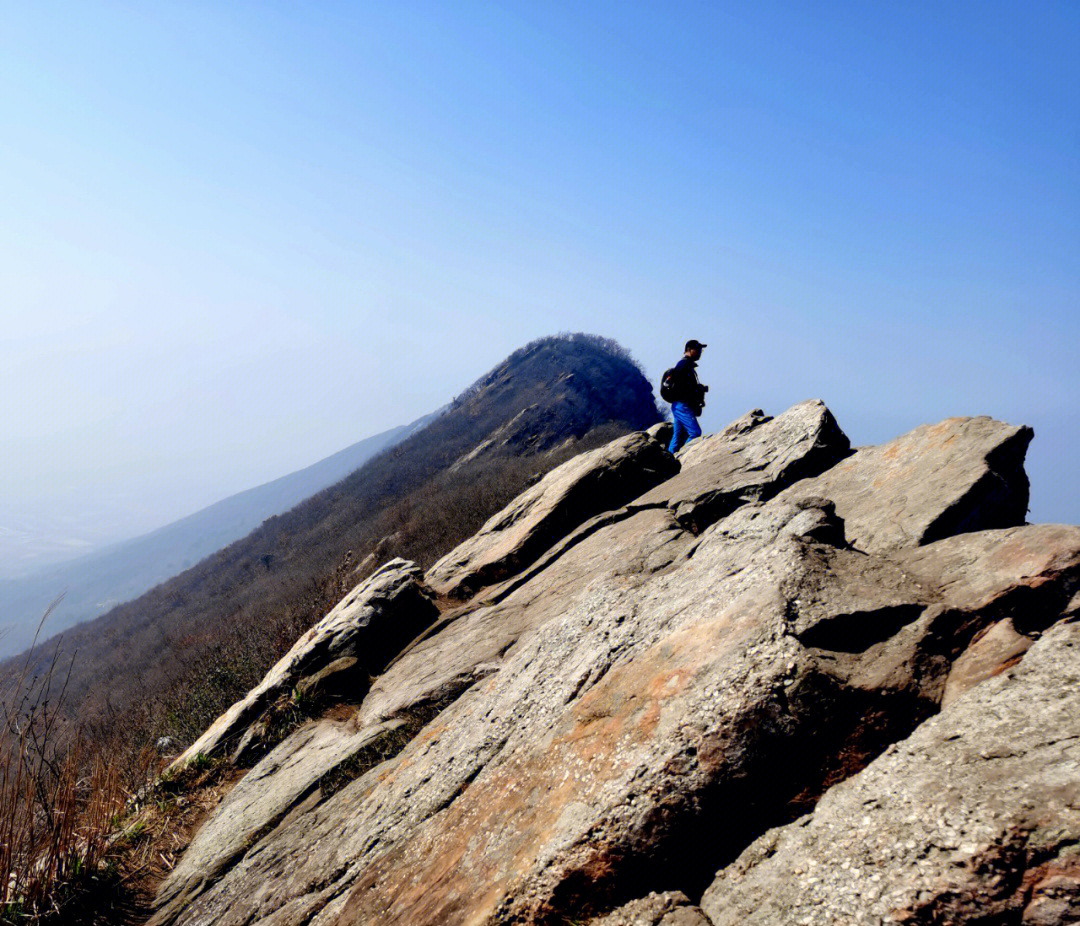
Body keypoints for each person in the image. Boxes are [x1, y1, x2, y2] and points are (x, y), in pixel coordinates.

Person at [665, 339, 708, 454]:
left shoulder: (685, 365)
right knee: (695, 433)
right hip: (682, 405)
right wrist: (697, 391)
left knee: (678, 436)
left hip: (679, 405)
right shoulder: (684, 365)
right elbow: (683, 387)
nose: (700, 352)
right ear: (689, 350)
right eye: (698, 349)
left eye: (700, 350)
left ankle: (669, 459)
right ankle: (684, 456)